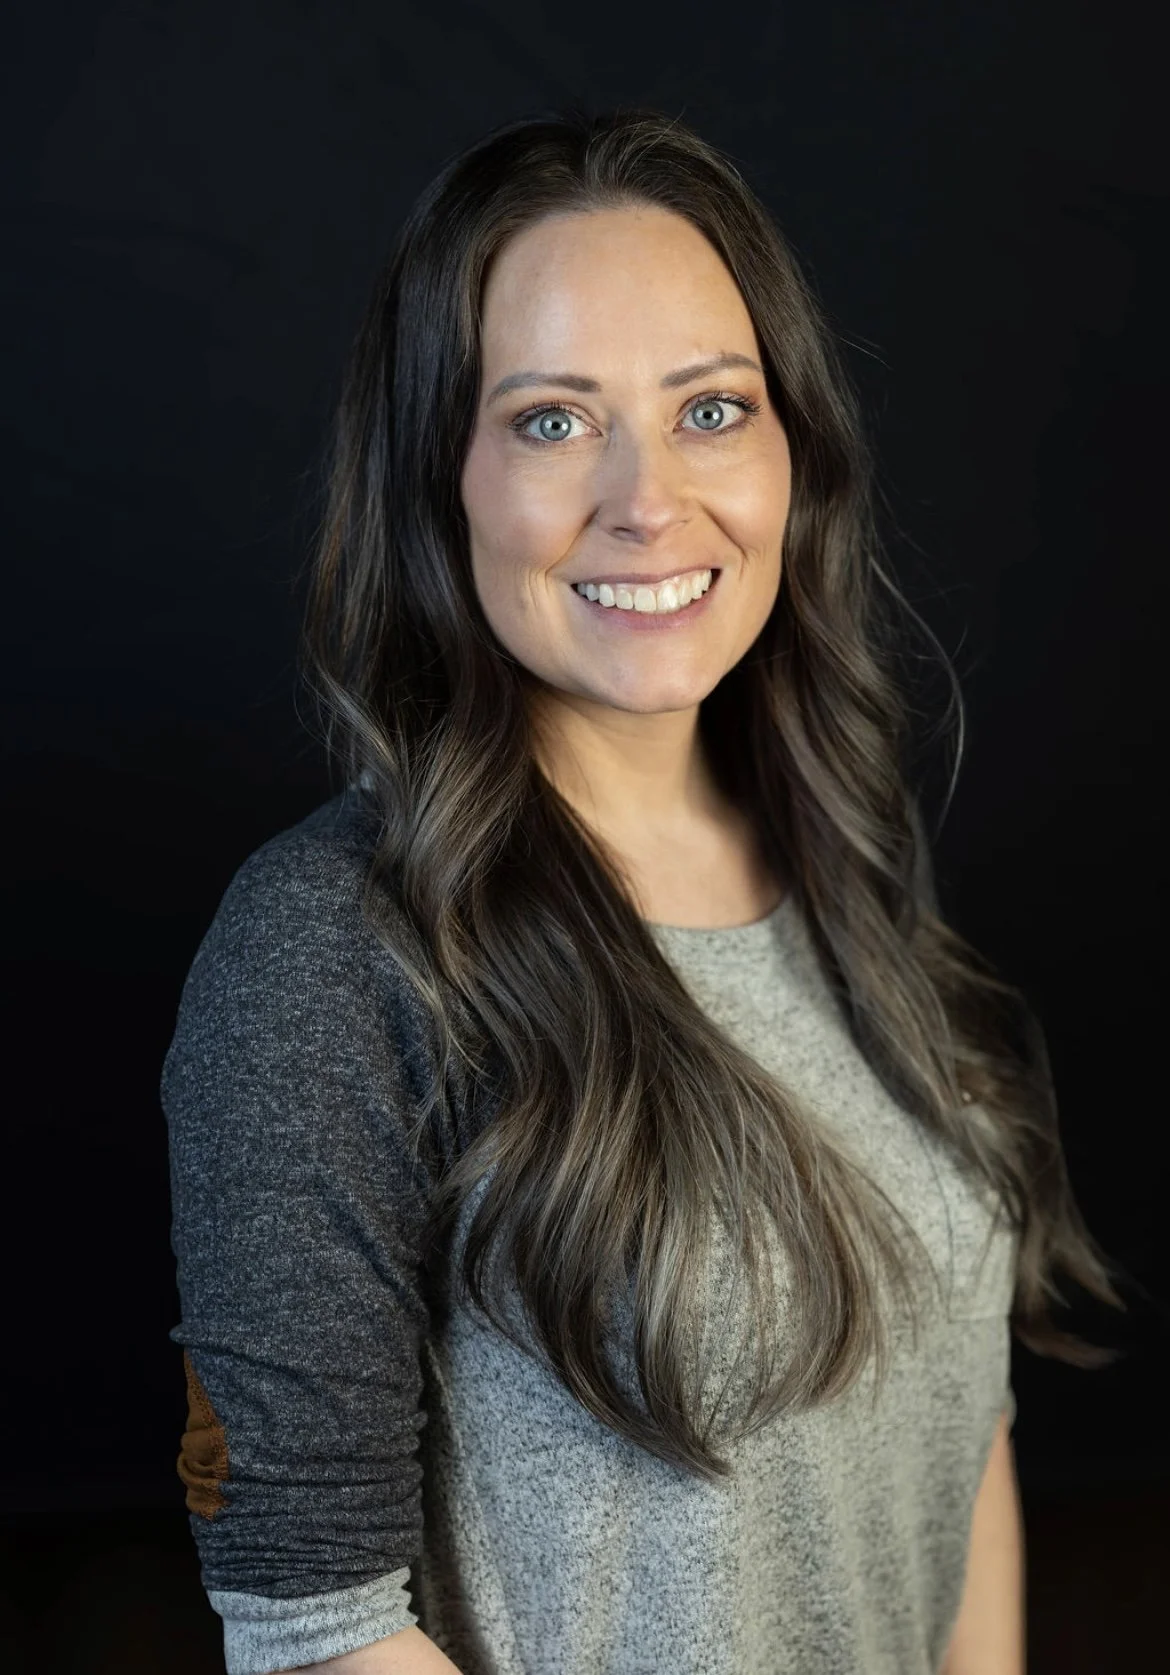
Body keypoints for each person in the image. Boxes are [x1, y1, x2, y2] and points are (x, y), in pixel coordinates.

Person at [161, 106, 1127, 1675]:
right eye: (551, 420)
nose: (647, 498)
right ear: (437, 475)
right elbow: (314, 1620)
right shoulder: (329, 950)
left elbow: (962, 1421)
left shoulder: (844, 862)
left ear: (791, 448)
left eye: (710, 408)